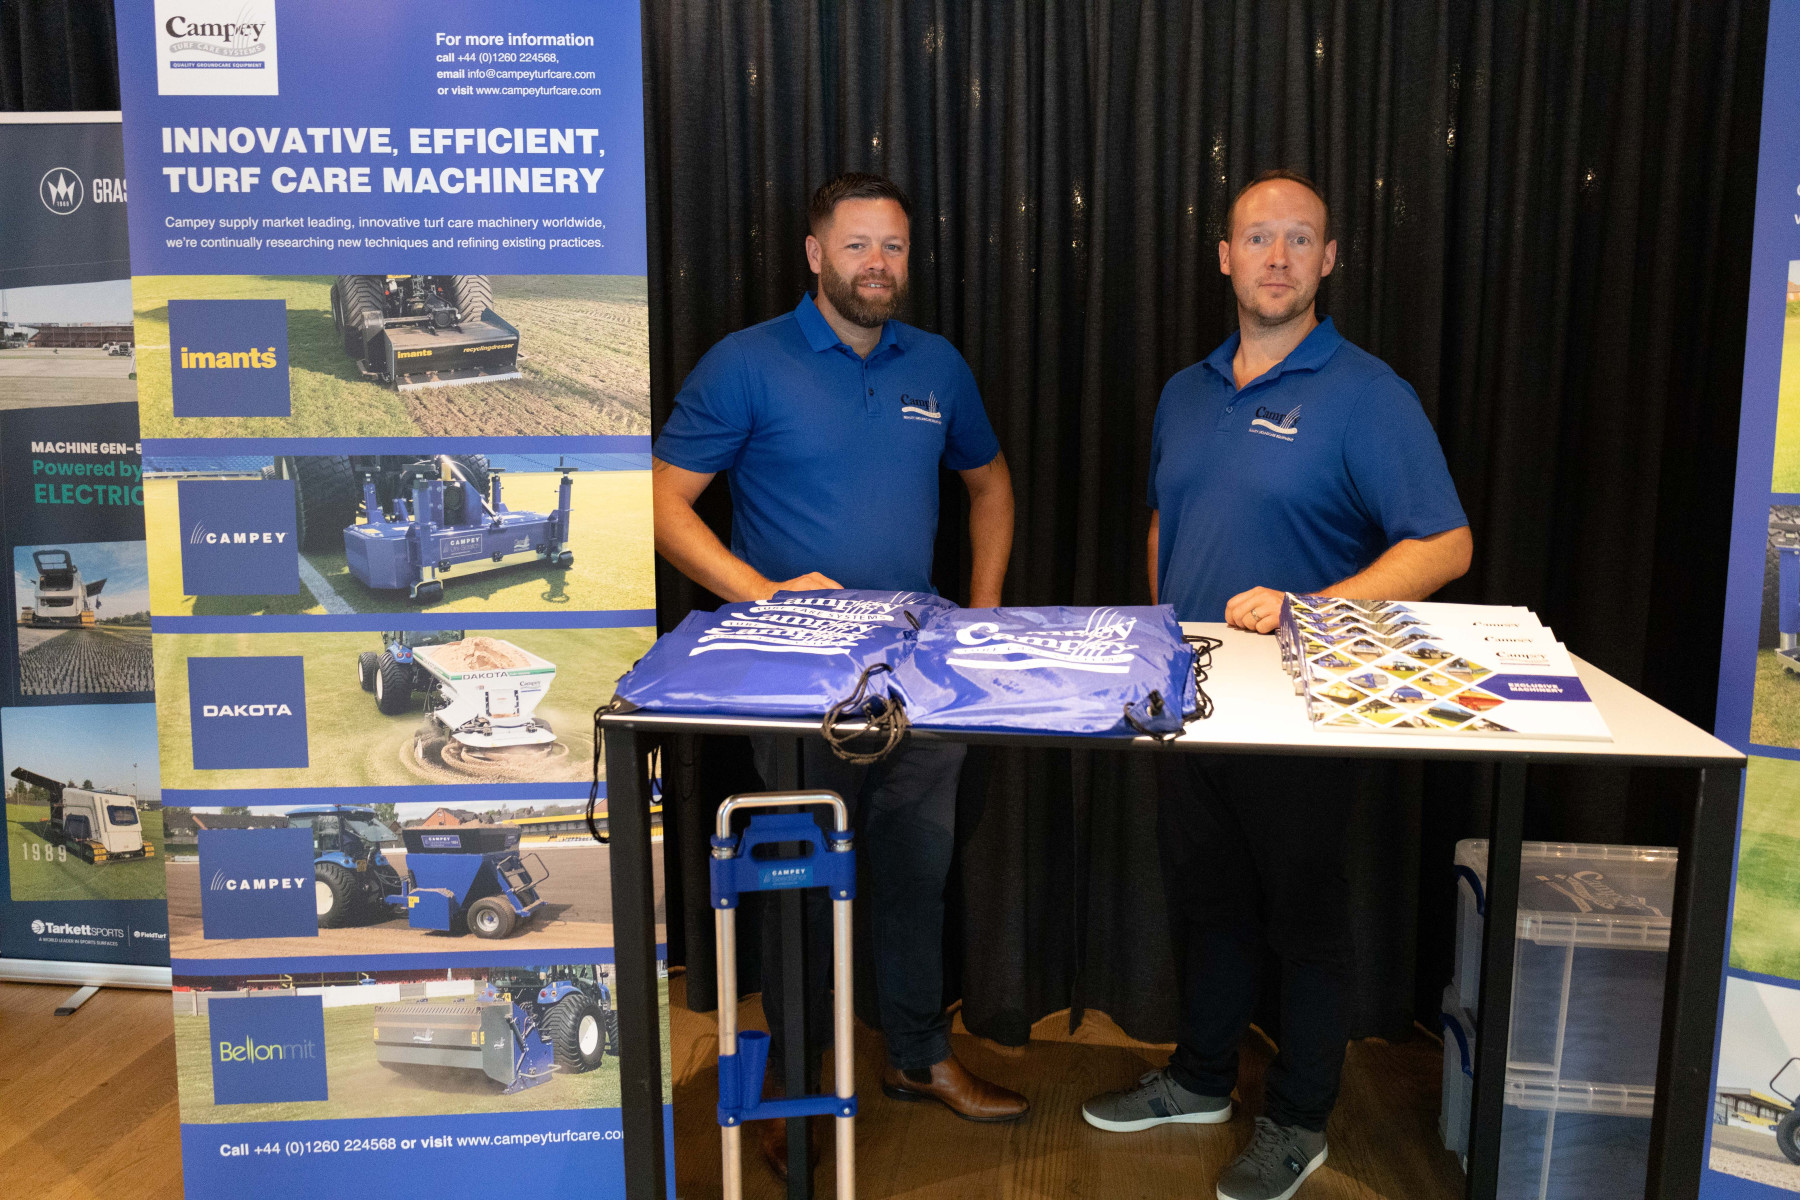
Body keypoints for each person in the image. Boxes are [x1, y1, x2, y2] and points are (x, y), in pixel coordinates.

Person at [1080, 169, 1472, 1200]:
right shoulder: (1186, 391)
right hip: (1190, 704)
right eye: (1259, 237)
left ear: (1329, 260)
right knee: (1206, 900)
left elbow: (1444, 543)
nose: (1279, 256)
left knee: (1303, 919)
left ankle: (1299, 1119)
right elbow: (1166, 521)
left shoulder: (1368, 395)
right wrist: (1163, 635)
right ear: (1225, 256)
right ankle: (1202, 1079)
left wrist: (1313, 607)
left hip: (1304, 710)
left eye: (1301, 238)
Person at [652, 172, 1027, 1182]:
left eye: (893, 246)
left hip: (920, 679)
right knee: (797, 890)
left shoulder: (935, 364)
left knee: (915, 876)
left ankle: (917, 1055)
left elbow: (989, 484)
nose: (877, 264)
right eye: (857, 245)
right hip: (795, 688)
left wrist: (982, 611)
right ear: (816, 254)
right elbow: (663, 500)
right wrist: (762, 594)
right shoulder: (748, 363)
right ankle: (791, 1089)